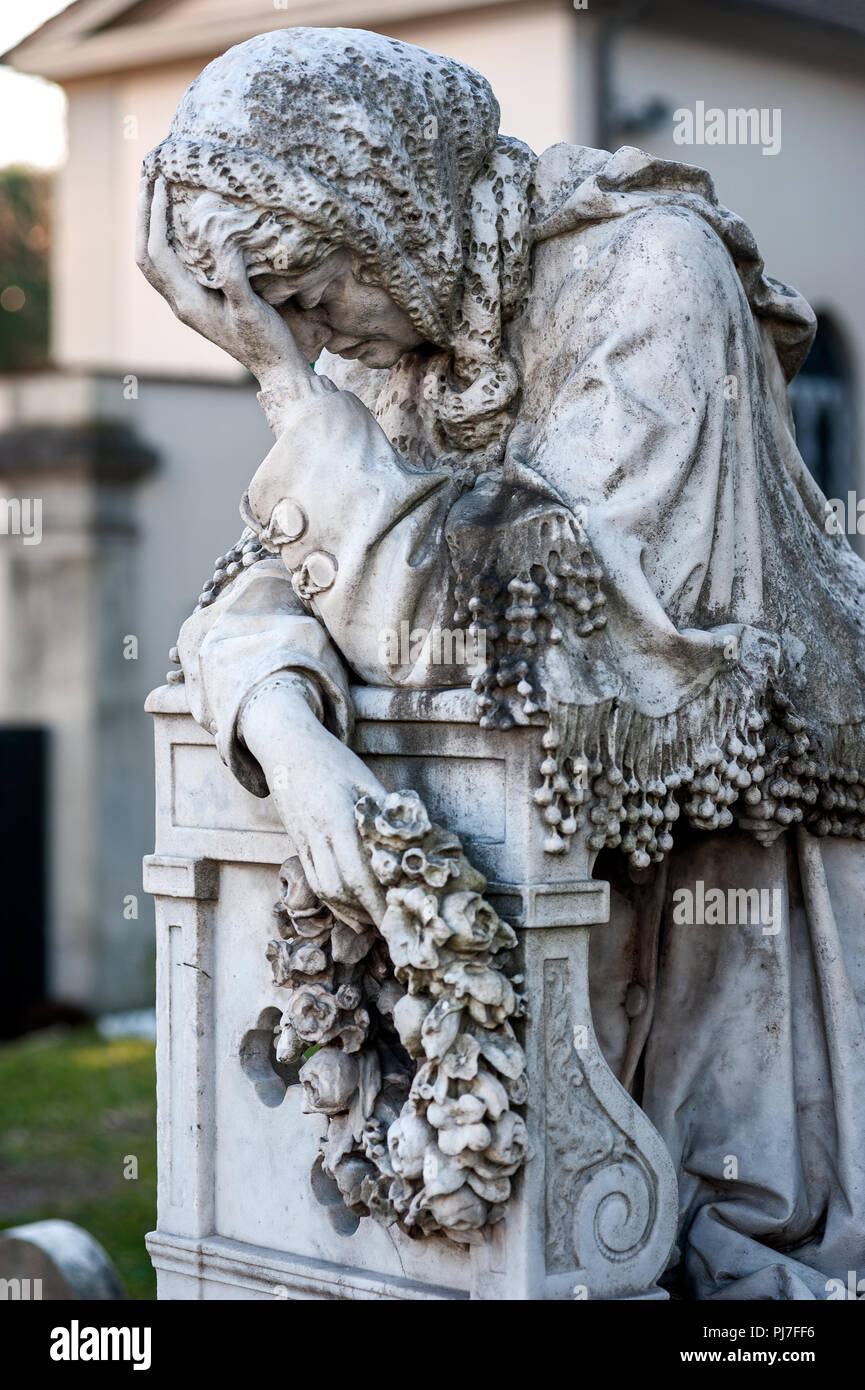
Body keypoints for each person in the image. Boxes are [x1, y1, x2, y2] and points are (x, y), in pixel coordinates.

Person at [138, 27, 865, 1297]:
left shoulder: (649, 276)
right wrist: (290, 743)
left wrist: (278, 385)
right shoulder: (405, 342)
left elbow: (547, 643)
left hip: (720, 944)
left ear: (381, 194)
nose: (318, 346)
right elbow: (259, 585)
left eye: (309, 300)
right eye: (280, 326)